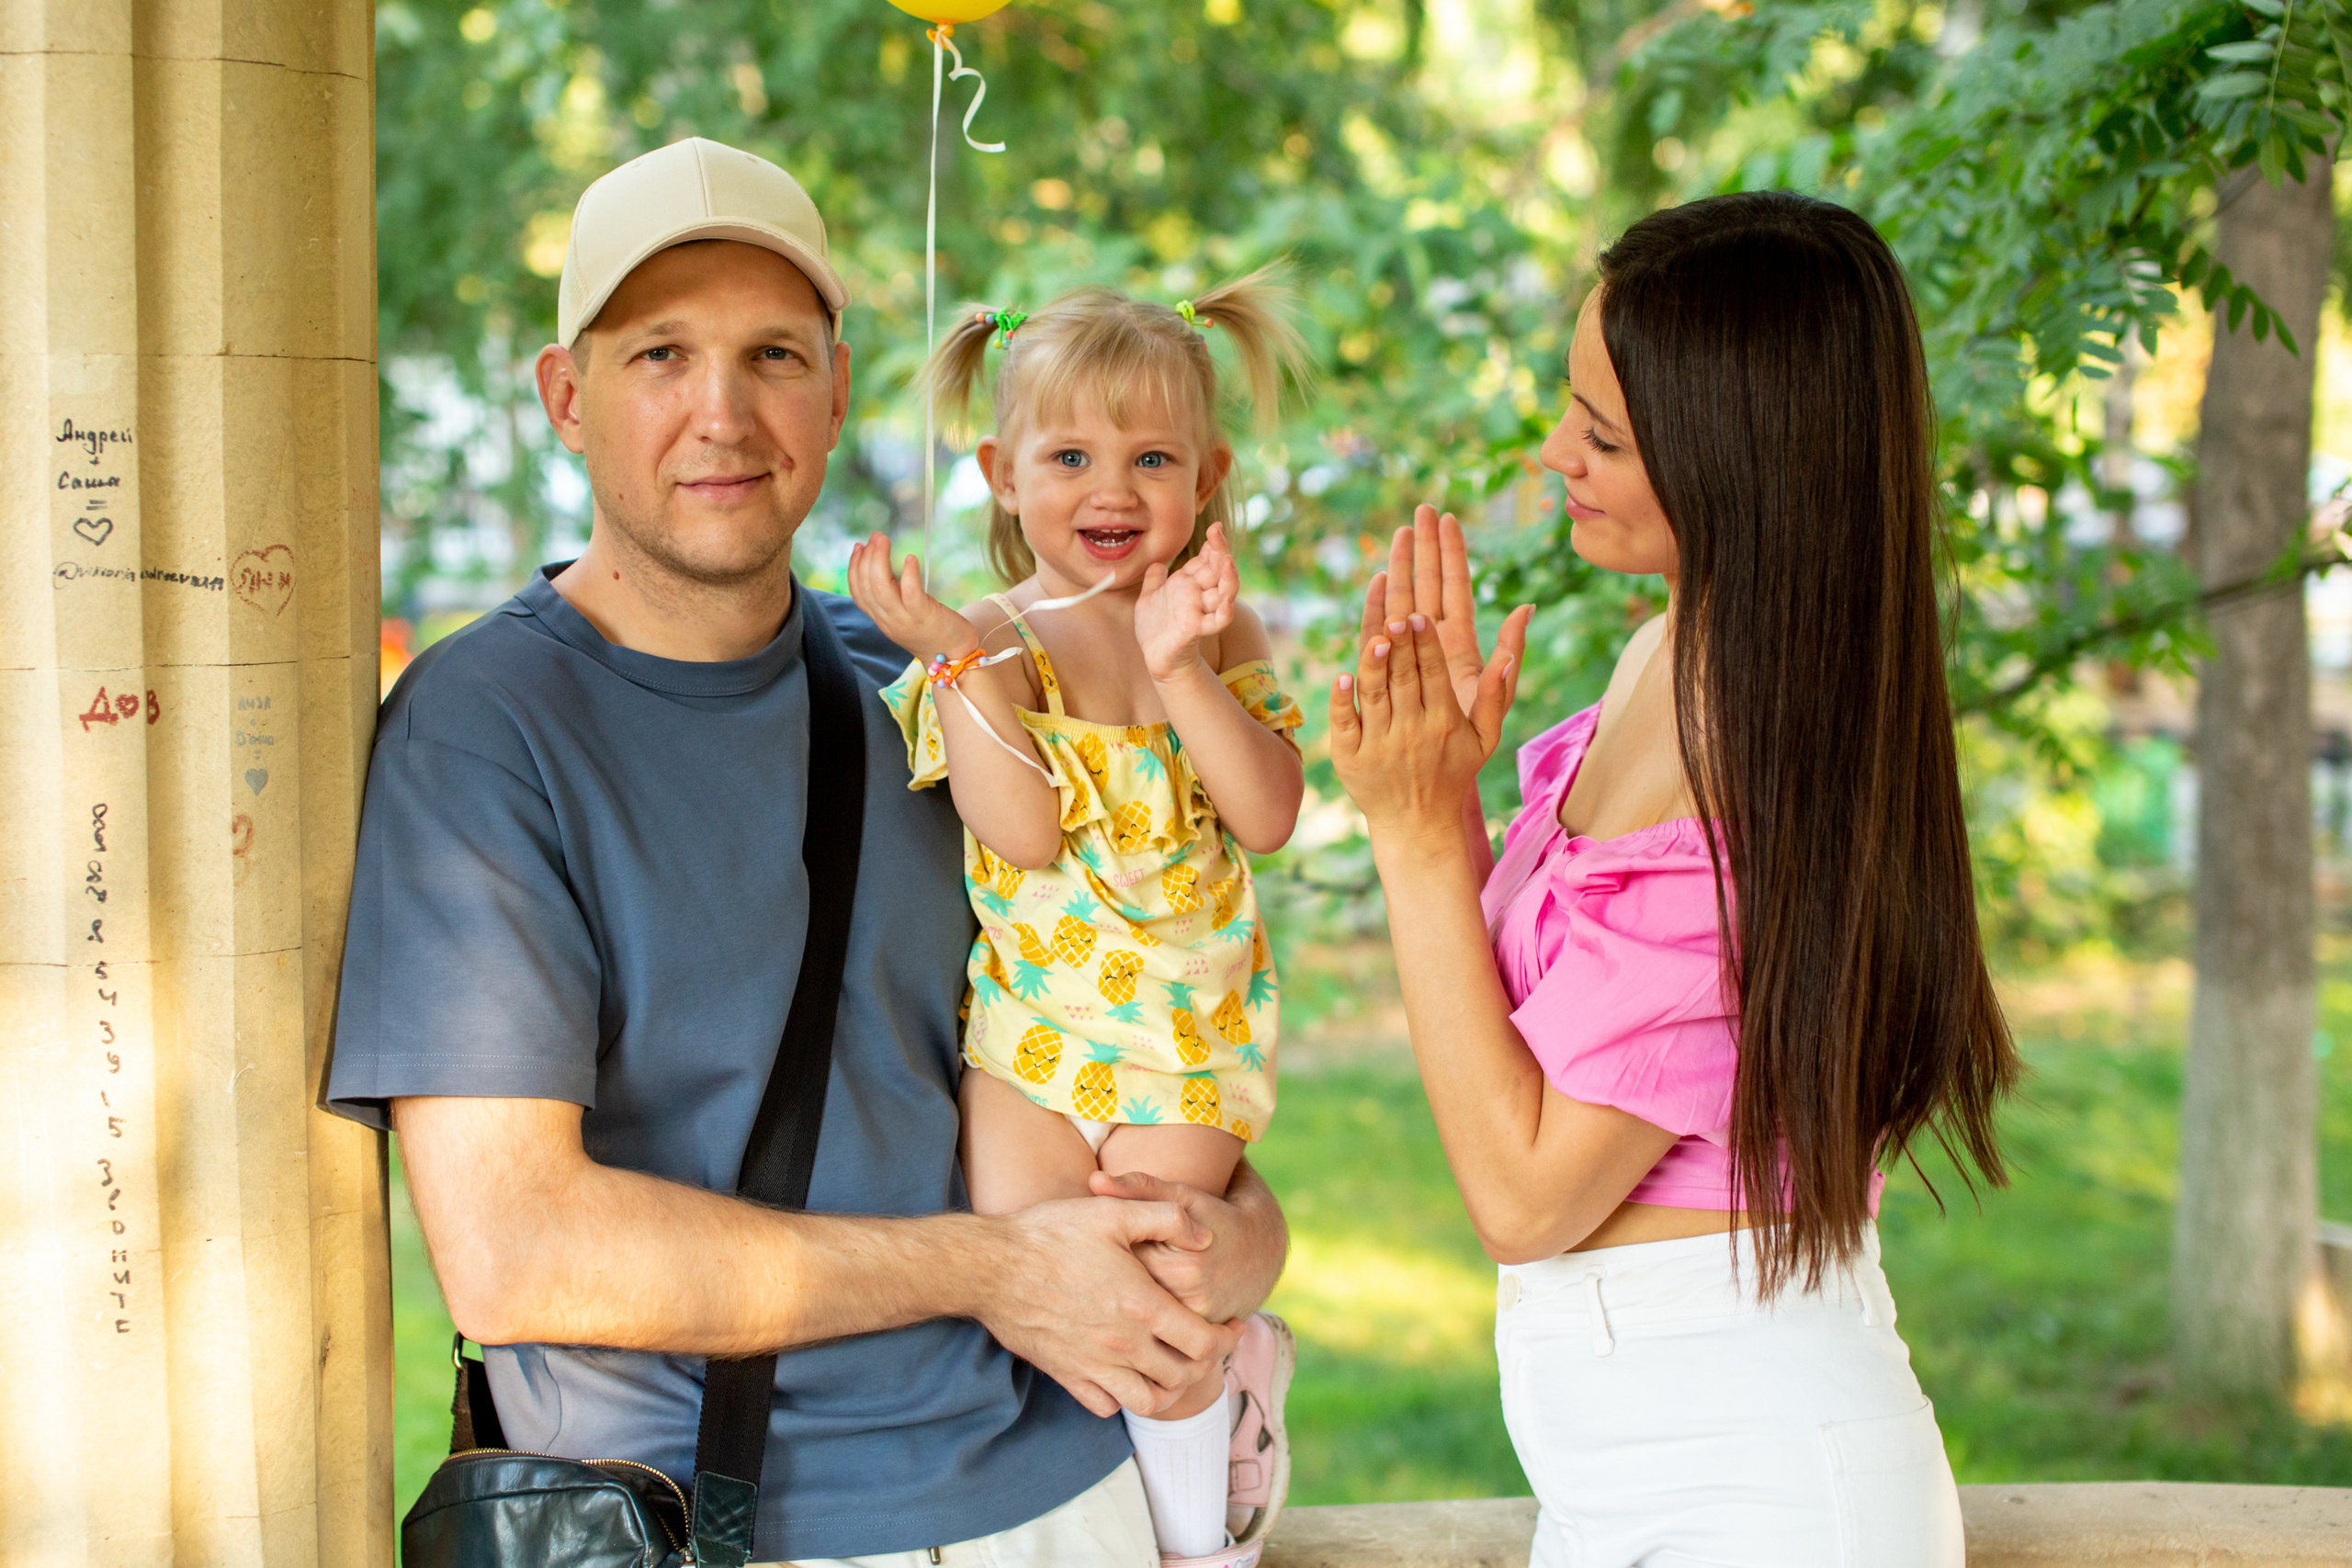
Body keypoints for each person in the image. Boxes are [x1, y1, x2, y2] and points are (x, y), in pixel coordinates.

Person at [323, 136, 1288, 1568]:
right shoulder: (482, 732)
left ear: (837, 392)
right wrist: (995, 1268)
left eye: (773, 356)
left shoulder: (936, 690)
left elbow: (1133, 1018)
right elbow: (517, 1250)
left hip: (1063, 1494)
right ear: (567, 397)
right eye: (661, 355)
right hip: (724, 1526)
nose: (722, 413)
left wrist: (1247, 1233)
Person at [1325, 190, 2017, 1567]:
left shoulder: (1760, 766)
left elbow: (1528, 1199)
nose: (1555, 454)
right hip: (1631, 1474)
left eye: (1605, 435)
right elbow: (1531, 1036)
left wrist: (1410, 839)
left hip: (1761, 1489)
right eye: (1571, 407)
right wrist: (1438, 795)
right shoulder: (1666, 657)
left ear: (1738, 460)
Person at [845, 275, 1310, 1565]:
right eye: (1069, 458)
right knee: (1045, 1272)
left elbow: (1268, 810)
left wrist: (1177, 665)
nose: (1113, 489)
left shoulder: (1218, 632)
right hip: (1033, 1042)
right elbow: (1022, 830)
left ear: (1208, 476)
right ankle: (1155, 1470)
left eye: (1152, 458)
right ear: (1001, 475)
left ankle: (1195, 1536)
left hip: (1183, 1035)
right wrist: (953, 661)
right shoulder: (993, 638)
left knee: (1157, 1277)